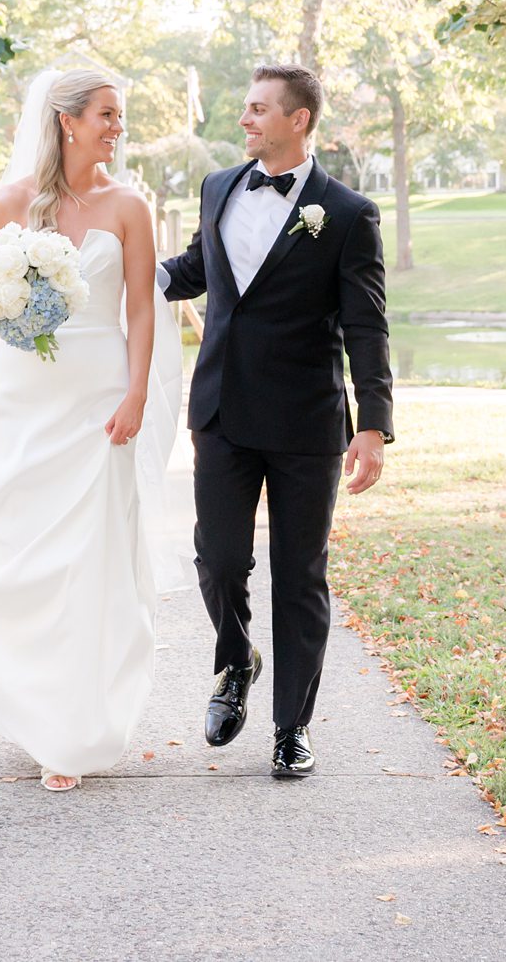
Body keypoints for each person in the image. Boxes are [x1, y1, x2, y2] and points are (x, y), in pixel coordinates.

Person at [0, 70, 189, 792]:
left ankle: (67, 735)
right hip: (26, 396)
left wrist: (138, 390)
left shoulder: (129, 206)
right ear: (67, 121)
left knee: (88, 561)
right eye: (107, 114)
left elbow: (142, 310)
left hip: (100, 398)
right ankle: (29, 701)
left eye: (120, 115)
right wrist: (15, 305)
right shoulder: (12, 202)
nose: (117, 126)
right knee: (1, 552)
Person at [159, 63, 392, 779]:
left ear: (299, 120)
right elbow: (198, 267)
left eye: (259, 109)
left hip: (306, 419)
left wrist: (374, 422)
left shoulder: (347, 213)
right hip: (223, 410)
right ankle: (236, 661)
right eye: (246, 107)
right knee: (219, 558)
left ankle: (291, 725)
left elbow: (367, 324)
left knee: (300, 575)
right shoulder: (219, 187)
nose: (245, 120)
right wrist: (114, 271)